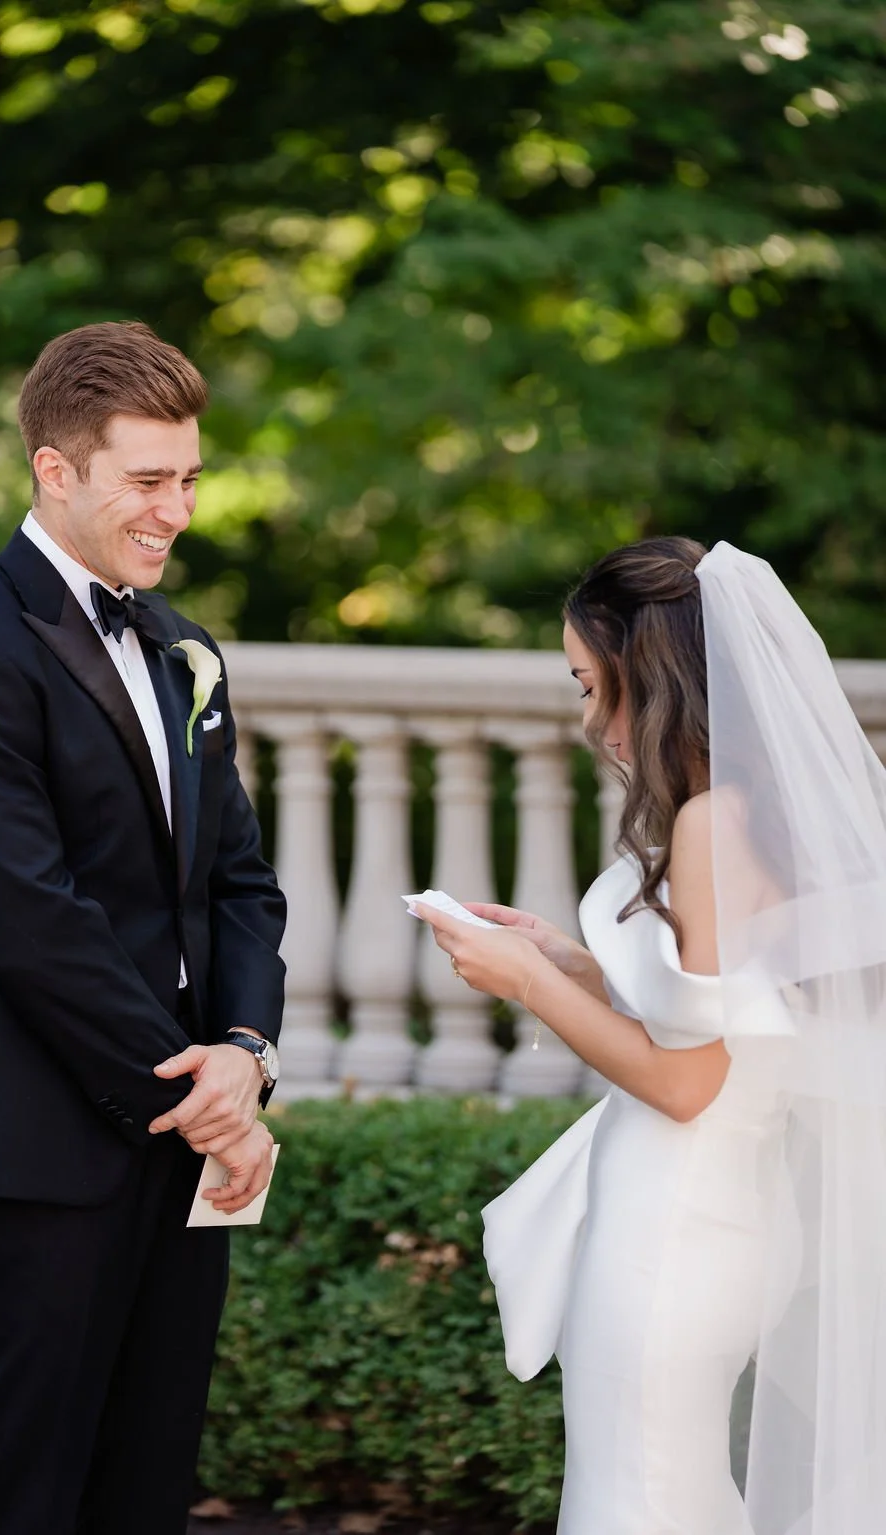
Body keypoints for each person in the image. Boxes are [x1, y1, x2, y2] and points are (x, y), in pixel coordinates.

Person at [0, 321, 287, 1535]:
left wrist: (245, 1050)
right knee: (27, 1492)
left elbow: (239, 885)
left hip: (185, 1134)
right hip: (36, 1147)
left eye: (190, 479)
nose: (178, 511)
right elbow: (27, 919)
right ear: (55, 470)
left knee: (147, 1486)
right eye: (148, 480)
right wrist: (198, 1095)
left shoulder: (182, 647)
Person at [416, 536, 886, 1534]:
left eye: (593, 687)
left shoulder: (713, 825)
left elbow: (686, 1083)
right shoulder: (762, 820)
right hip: (721, 1218)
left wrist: (527, 983)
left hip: (672, 1230)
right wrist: (569, 960)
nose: (591, 720)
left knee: (636, 1497)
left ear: (657, 678)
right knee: (668, 1489)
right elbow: (730, 1017)